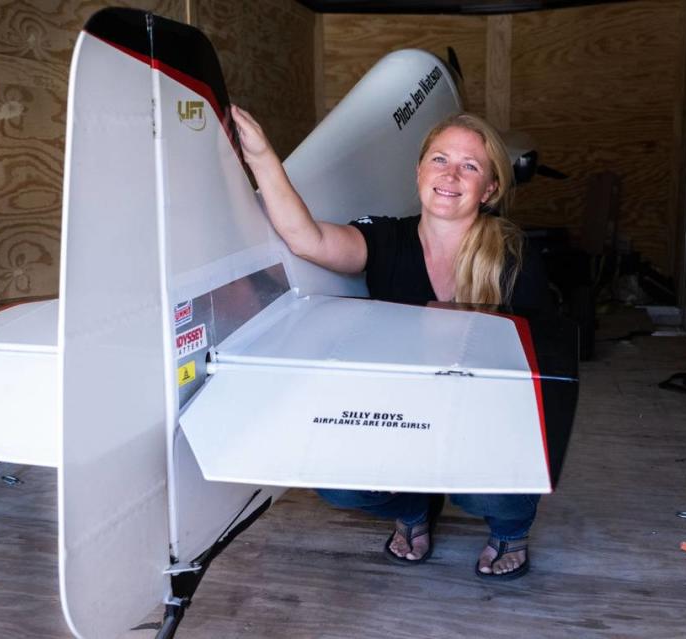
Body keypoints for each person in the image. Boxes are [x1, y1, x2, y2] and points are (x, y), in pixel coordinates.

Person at [230, 105, 552, 580]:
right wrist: (260, 156)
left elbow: (540, 363)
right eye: (440, 159)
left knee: (481, 491)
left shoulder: (513, 253)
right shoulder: (385, 238)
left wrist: (465, 325)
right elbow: (307, 239)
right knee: (340, 489)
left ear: (490, 189)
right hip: (402, 413)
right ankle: (414, 507)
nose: (451, 175)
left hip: (482, 412)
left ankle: (510, 527)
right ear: (419, 170)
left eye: (470, 166)